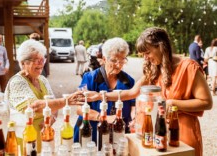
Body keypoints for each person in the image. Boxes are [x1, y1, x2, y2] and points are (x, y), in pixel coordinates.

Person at [89, 27, 212, 156]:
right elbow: (131, 93)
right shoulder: (156, 69)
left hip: (183, 132)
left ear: (161, 47)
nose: (146, 58)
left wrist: (171, 103)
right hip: (159, 133)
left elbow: (207, 102)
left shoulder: (189, 67)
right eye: (143, 55)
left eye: (147, 53)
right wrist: (100, 96)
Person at [4, 40, 84, 153]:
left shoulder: (42, 79)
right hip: (23, 138)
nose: (41, 63)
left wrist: (52, 119)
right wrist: (66, 101)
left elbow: (53, 103)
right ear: (23, 63)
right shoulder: (17, 82)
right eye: (37, 60)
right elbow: (34, 107)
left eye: (43, 60)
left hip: (44, 137)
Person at [73, 37, 136, 144]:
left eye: (122, 60)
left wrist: (134, 118)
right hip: (91, 134)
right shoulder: (90, 78)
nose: (118, 64)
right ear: (104, 58)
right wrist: (104, 118)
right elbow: (79, 108)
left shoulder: (128, 81)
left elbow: (133, 106)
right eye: (114, 60)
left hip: (118, 135)